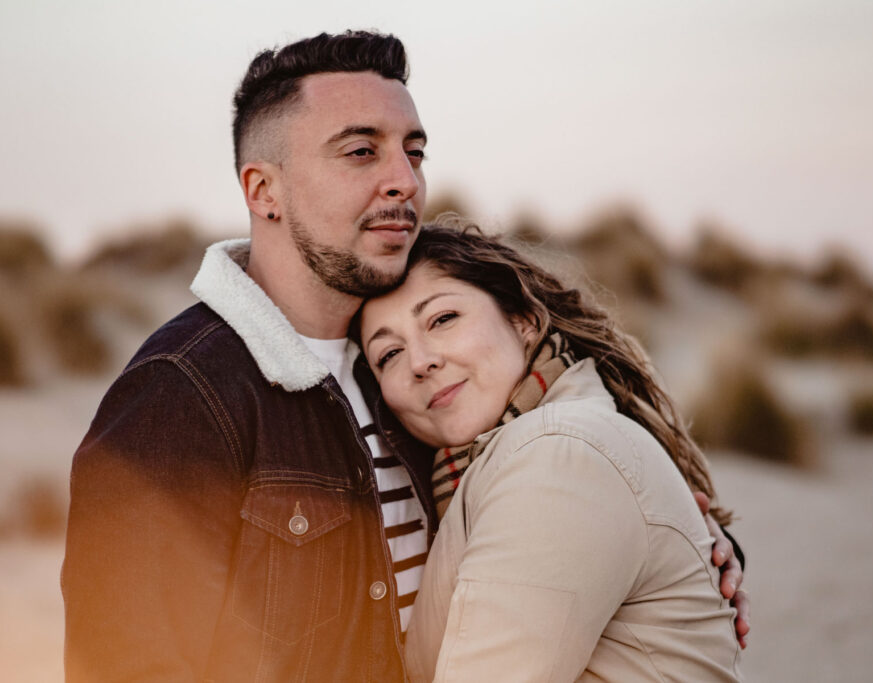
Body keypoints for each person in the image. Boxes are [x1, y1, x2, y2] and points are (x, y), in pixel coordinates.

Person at [62, 30, 747, 682]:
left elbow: (554, 507)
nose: (404, 181)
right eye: (362, 151)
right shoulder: (181, 394)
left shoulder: (419, 386)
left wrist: (694, 544)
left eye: (413, 153)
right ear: (264, 190)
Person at [359, 221, 744, 681]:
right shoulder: (515, 459)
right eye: (389, 354)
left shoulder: (556, 456)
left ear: (523, 321)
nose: (421, 361)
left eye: (443, 319)